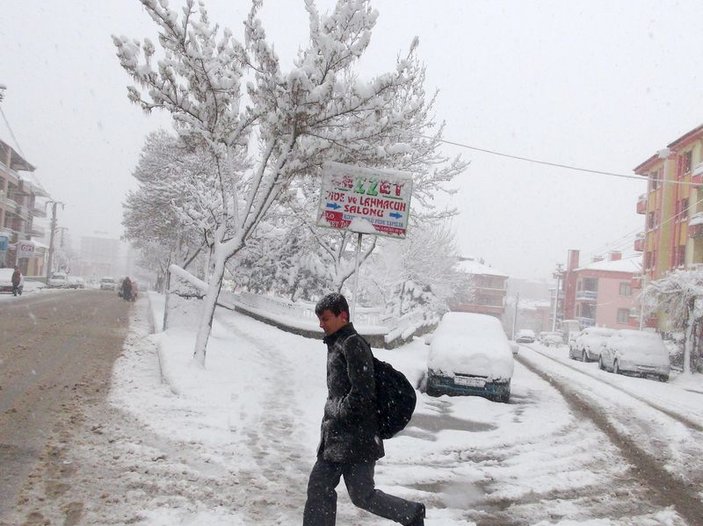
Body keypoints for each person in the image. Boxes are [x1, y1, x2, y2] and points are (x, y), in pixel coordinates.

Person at [303, 293, 425, 526]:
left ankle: (411, 513)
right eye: (319, 319)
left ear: (343, 316)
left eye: (325, 319)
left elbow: (362, 395)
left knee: (337, 490)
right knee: (352, 493)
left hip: (354, 438)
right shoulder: (338, 343)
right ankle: (411, 514)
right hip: (344, 436)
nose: (321, 324)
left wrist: (335, 410)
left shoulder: (353, 345)